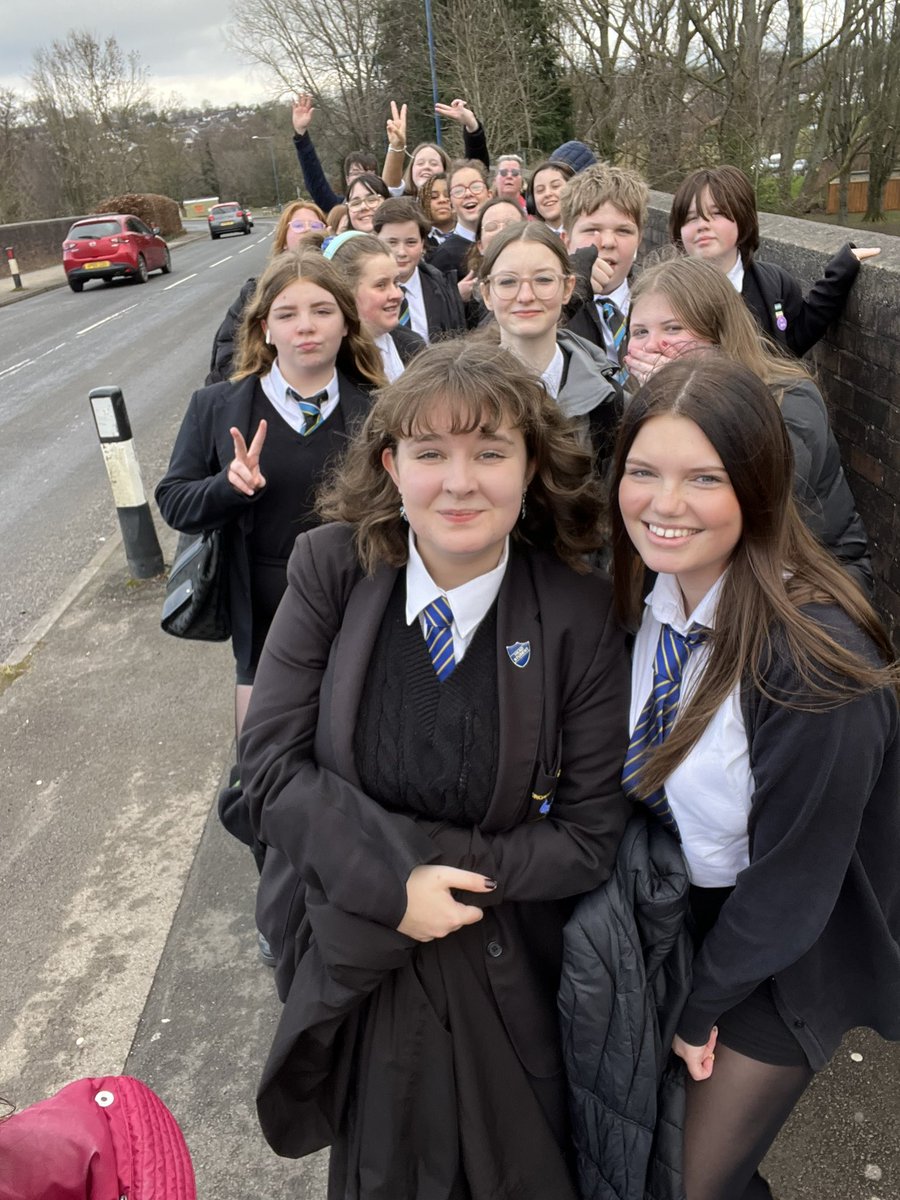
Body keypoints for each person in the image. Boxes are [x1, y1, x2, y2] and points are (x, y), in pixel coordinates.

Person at [239, 338, 632, 1198]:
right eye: (430, 454)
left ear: (530, 467)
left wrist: (428, 885)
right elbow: (268, 769)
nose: (460, 482)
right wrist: (392, 889)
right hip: (357, 964)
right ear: (392, 464)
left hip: (501, 973)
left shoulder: (580, 618)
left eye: (490, 452)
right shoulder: (330, 570)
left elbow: (587, 839)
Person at [609, 356, 900, 1200]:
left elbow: (795, 886)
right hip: (680, 919)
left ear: (762, 485)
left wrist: (696, 1007)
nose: (665, 505)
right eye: (643, 472)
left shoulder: (818, 661)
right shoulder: (642, 599)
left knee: (681, 1184)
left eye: (704, 477)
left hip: (781, 954)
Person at [156, 249, 383, 739]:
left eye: (322, 311)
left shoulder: (382, 411)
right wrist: (227, 486)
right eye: (287, 314)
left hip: (359, 604)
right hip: (261, 621)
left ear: (346, 323)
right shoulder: (216, 407)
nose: (306, 326)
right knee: (263, 764)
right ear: (265, 328)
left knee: (350, 749)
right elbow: (174, 501)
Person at [623, 255, 873, 592]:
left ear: (718, 334)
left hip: (812, 583)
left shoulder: (791, 398)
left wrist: (684, 398)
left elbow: (757, 502)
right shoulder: (648, 410)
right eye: (640, 332)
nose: (653, 346)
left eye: (673, 328)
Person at [668, 165, 881, 357]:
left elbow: (795, 340)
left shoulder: (773, 283)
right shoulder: (667, 294)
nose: (702, 225)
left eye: (716, 213)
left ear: (743, 219)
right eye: (690, 217)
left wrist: (842, 270)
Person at [479, 222, 620, 469]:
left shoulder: (610, 403)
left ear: (568, 288)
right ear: (487, 294)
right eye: (507, 282)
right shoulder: (458, 397)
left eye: (543, 279)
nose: (525, 296)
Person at [205, 199, 328, 384]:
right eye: (298, 225)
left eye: (315, 225)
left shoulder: (339, 288)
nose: (307, 229)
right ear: (283, 240)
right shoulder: (254, 292)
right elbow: (227, 355)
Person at [559, 162, 648, 381]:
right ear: (566, 241)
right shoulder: (547, 308)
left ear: (639, 240)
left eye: (624, 231)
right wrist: (569, 292)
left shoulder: (659, 304)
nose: (608, 242)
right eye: (592, 230)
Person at [325, 231, 426, 380]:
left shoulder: (412, 345)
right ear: (345, 292)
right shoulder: (332, 363)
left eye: (396, 283)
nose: (397, 295)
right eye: (381, 285)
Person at [373, 196, 467, 341]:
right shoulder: (365, 292)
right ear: (376, 240)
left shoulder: (443, 287)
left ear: (422, 243)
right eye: (392, 242)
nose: (401, 252)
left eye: (411, 242)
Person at [382, 97, 490, 195]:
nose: (426, 167)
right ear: (411, 171)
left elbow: (476, 170)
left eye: (434, 164)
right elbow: (390, 189)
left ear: (446, 170)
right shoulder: (402, 207)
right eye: (420, 163)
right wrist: (397, 147)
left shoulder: (457, 203)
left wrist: (472, 126)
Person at [291, 92, 378, 212]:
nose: (362, 179)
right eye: (356, 173)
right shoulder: (337, 208)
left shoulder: (387, 209)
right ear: (347, 179)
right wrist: (301, 134)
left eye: (368, 173)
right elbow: (316, 180)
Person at [460, 197, 527, 326]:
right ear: (480, 246)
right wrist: (455, 299)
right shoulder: (470, 299)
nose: (501, 231)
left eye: (510, 224)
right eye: (491, 227)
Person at [429, 159, 491, 277]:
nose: (468, 194)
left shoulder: (503, 241)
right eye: (458, 191)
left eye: (476, 187)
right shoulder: (443, 257)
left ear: (489, 195)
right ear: (451, 203)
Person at [524, 159, 574, 231]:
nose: (547, 194)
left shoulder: (591, 232)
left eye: (555, 186)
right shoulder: (528, 239)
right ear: (531, 201)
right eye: (540, 190)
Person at [419, 172, 455, 253]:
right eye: (434, 197)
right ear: (424, 202)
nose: (442, 200)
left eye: (448, 195)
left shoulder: (471, 235)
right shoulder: (419, 239)